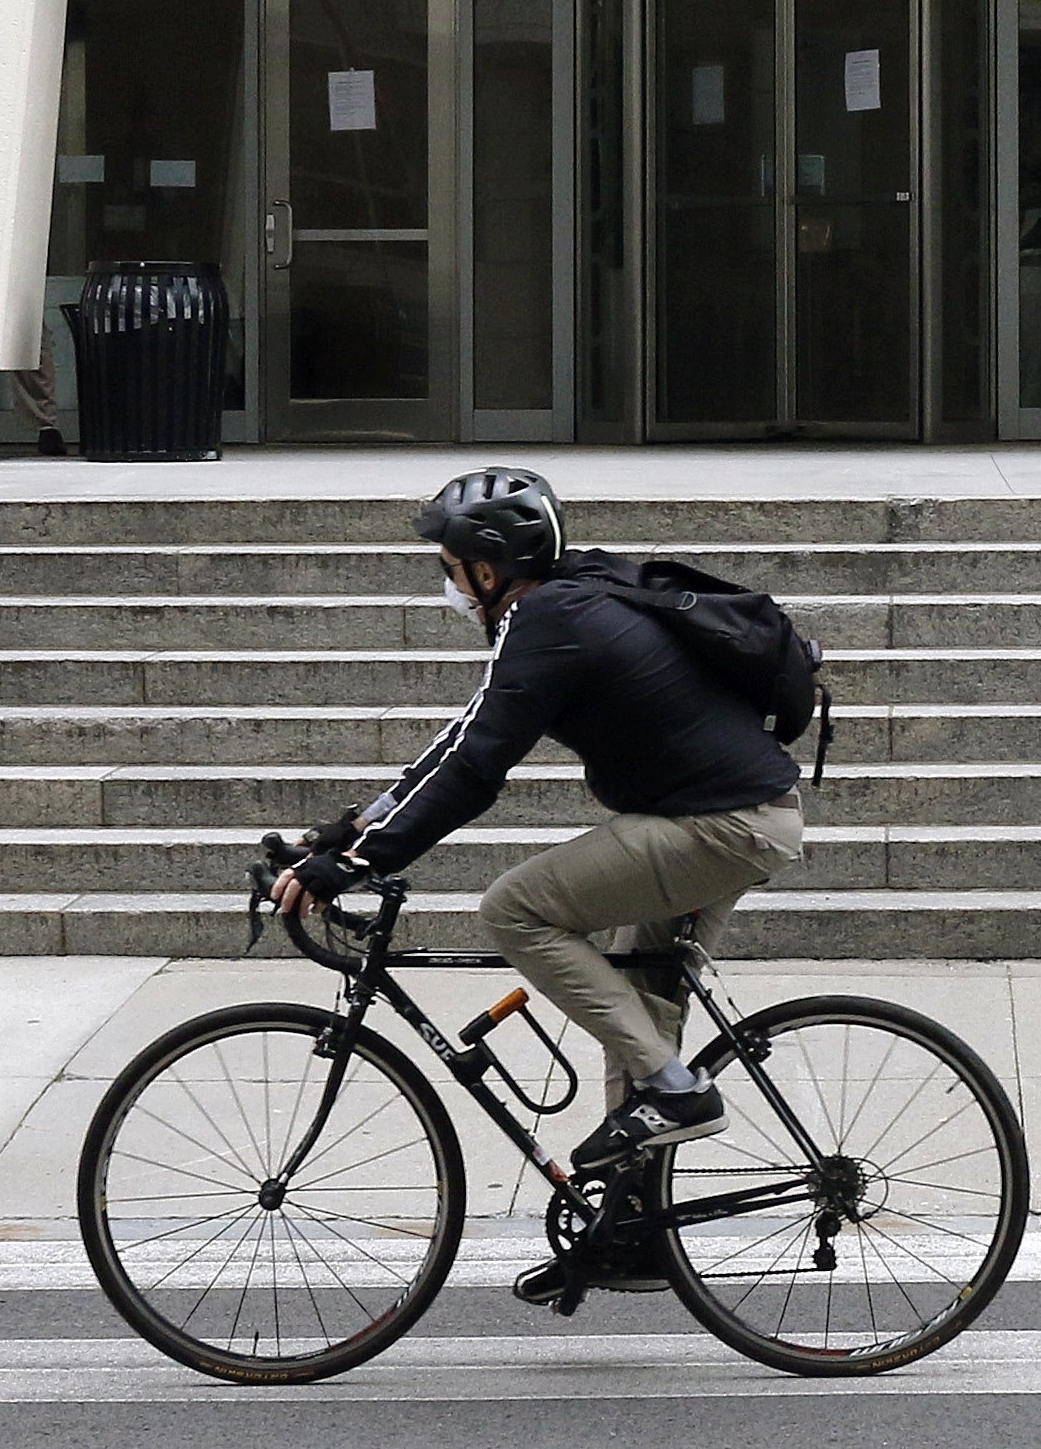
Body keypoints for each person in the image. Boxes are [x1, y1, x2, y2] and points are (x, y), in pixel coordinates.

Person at [276, 466, 806, 1198]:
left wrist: (363, 863)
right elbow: (464, 737)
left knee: (514, 909)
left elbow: (476, 768)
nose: (451, 587)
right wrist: (352, 830)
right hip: (727, 815)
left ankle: (677, 1090)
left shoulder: (550, 620)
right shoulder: (569, 599)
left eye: (453, 571)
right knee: (638, 1014)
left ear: (489, 568)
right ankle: (634, 1231)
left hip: (720, 826)